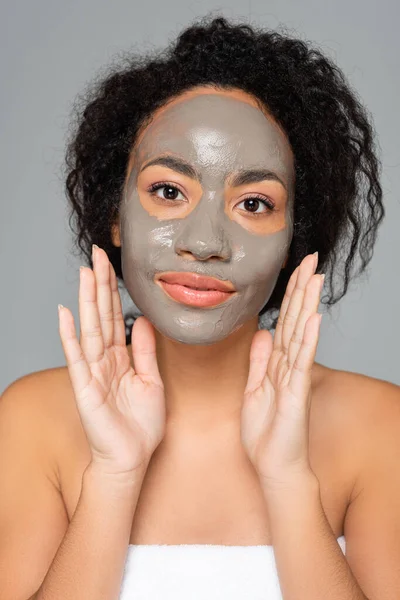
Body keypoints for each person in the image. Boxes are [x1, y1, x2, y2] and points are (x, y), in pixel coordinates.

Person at [1, 14, 399, 600]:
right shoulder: (29, 419)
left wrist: (289, 480)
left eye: (255, 203)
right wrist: (113, 475)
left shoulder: (381, 428)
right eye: (168, 191)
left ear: (296, 235)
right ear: (115, 213)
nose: (206, 241)